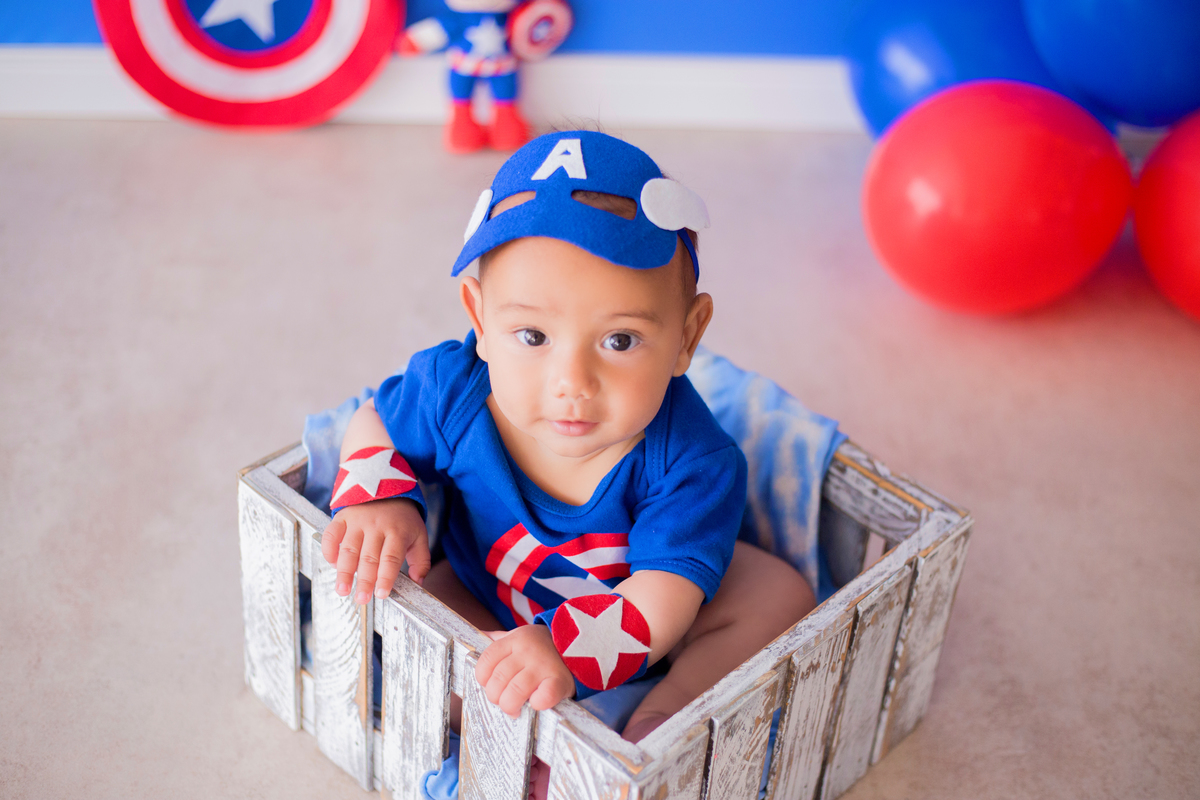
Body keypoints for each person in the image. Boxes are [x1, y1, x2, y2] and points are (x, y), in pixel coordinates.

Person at [320, 132, 815, 772]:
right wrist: (381, 499)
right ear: (479, 319)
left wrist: (565, 648)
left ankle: (664, 716)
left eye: (620, 340)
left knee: (777, 595)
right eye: (532, 335)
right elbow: (375, 419)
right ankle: (524, 749)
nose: (572, 382)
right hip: (489, 597)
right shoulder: (455, 392)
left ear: (687, 336)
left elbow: (661, 599)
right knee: (428, 615)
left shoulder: (692, 460)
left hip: (645, 618)